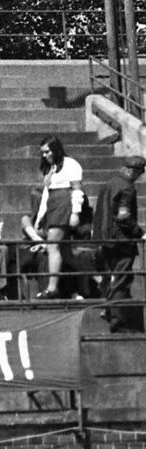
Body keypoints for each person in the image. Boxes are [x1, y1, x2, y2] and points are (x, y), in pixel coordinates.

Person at [91, 157, 145, 331]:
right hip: (121, 241)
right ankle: (117, 320)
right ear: (135, 171)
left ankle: (108, 310)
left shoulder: (109, 184)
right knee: (121, 279)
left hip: (105, 240)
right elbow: (123, 216)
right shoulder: (127, 188)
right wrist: (141, 233)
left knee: (111, 277)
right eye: (140, 172)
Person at [34, 135, 88, 299]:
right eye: (43, 153)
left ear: (56, 150)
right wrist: (40, 216)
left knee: (52, 245)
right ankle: (99, 278)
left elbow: (77, 190)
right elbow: (45, 193)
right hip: (52, 205)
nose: (45, 155)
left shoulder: (71, 164)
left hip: (65, 204)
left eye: (47, 152)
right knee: (65, 253)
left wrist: (75, 212)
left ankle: (52, 287)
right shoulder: (50, 168)